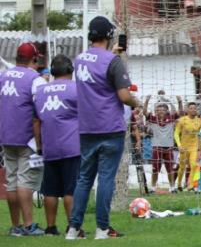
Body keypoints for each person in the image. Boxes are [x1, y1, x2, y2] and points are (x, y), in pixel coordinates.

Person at [67, 16, 139, 240]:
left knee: (84, 178)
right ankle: (102, 228)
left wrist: (113, 55)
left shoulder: (78, 59)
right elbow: (124, 95)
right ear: (109, 36)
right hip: (110, 126)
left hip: (86, 127)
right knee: (106, 178)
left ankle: (73, 229)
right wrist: (137, 104)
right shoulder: (113, 62)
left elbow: (96, 75)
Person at [0, 43, 47, 237]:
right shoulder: (35, 80)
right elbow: (39, 113)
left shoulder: (2, 76)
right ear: (33, 59)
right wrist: (40, 143)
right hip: (27, 138)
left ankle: (15, 226)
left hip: (5, 136)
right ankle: (29, 225)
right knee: (24, 181)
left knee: (11, 181)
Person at [34, 55, 79, 236]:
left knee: (50, 190)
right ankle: (72, 226)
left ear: (52, 72)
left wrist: (39, 146)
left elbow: (36, 121)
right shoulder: (76, 89)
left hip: (49, 146)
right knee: (71, 188)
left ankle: (50, 227)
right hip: (72, 145)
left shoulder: (41, 91)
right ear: (70, 70)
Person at [174, 102, 201, 191]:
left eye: (195, 108)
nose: (193, 110)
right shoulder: (182, 120)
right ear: (187, 110)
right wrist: (179, 145)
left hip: (194, 147)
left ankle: (190, 185)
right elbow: (176, 133)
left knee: (194, 165)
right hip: (184, 148)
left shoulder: (200, 121)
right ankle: (179, 183)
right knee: (182, 167)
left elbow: (200, 135)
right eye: (191, 108)